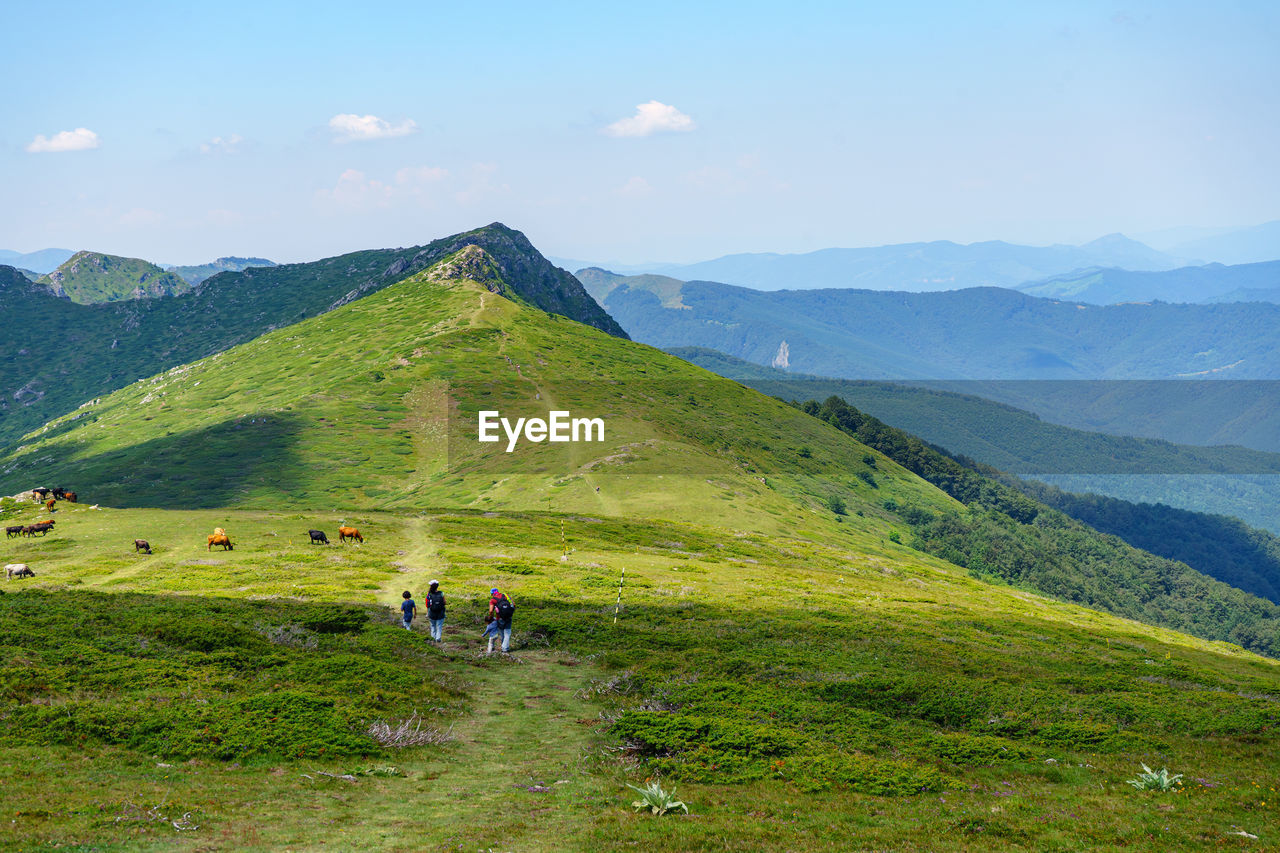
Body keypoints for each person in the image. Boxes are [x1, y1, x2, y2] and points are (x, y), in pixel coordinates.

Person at [487, 587, 515, 654]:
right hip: (509, 616)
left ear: (492, 594)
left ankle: (504, 649)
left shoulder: (493, 600)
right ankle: (505, 648)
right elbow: (514, 604)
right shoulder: (506, 595)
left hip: (499, 618)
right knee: (507, 633)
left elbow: (491, 611)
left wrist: (491, 617)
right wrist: (510, 612)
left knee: (502, 633)